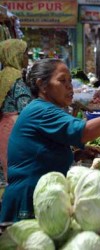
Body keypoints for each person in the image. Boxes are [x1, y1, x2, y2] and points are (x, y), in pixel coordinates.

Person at [0, 58, 100, 222]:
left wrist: (76, 155)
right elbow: (84, 131)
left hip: (38, 196)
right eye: (62, 81)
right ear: (42, 85)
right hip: (26, 201)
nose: (69, 86)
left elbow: (41, 150)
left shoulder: (42, 108)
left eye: (70, 80)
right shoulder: (41, 111)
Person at [0, 39, 31, 183]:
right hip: (12, 129)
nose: (27, 57)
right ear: (15, 55)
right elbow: (25, 108)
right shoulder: (15, 78)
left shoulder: (4, 74)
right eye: (24, 54)